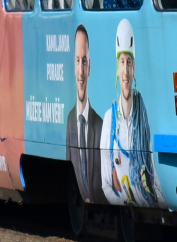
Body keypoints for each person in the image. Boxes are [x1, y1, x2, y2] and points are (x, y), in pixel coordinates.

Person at [101, 19, 163, 208]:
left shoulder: (143, 118)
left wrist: (157, 203)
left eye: (129, 63)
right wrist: (124, 202)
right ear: (117, 69)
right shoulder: (110, 119)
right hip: (125, 202)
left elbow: (154, 177)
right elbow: (106, 185)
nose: (126, 71)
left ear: (134, 67)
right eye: (122, 63)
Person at [65, 24, 104, 202]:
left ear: (90, 67)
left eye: (85, 61)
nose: (81, 71)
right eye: (77, 61)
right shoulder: (70, 121)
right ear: (73, 66)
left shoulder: (101, 125)